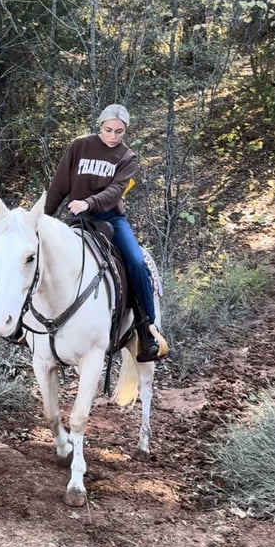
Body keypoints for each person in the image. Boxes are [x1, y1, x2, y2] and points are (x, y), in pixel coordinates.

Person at [44, 104, 168, 362]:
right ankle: (30, 327)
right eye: (108, 130)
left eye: (119, 132)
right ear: (99, 126)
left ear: (126, 131)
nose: (113, 136)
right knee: (43, 258)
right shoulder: (79, 146)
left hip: (110, 217)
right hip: (78, 217)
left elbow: (115, 192)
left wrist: (89, 202)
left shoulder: (127, 158)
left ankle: (148, 330)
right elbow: (59, 185)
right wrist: (42, 218)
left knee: (135, 261)